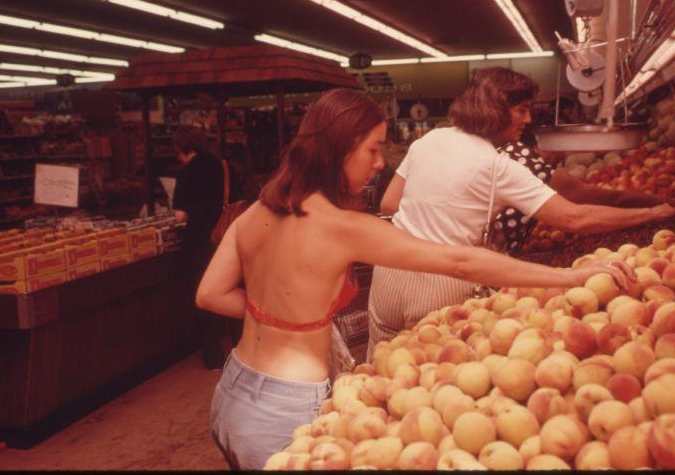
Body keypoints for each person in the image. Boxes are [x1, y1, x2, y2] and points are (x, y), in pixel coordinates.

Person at [195, 88, 636, 470]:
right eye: (373, 149)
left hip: (232, 394)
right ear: (340, 148)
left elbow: (210, 295)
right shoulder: (342, 226)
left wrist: (280, 317)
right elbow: (463, 263)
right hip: (286, 408)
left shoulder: (255, 211)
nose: (380, 163)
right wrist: (570, 276)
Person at [368, 67, 675, 359]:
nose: (528, 119)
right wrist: (651, 213)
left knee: (377, 375)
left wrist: (436, 215)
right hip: (441, 281)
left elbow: (389, 204)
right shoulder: (497, 167)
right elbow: (575, 218)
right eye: (521, 109)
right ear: (494, 110)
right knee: (429, 377)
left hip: (389, 270)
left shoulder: (430, 140)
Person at [172, 127, 225, 369]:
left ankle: (213, 357)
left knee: (203, 296)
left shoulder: (185, 174)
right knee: (227, 288)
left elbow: (180, 216)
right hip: (222, 237)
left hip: (198, 241)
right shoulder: (219, 165)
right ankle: (238, 348)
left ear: (182, 149)